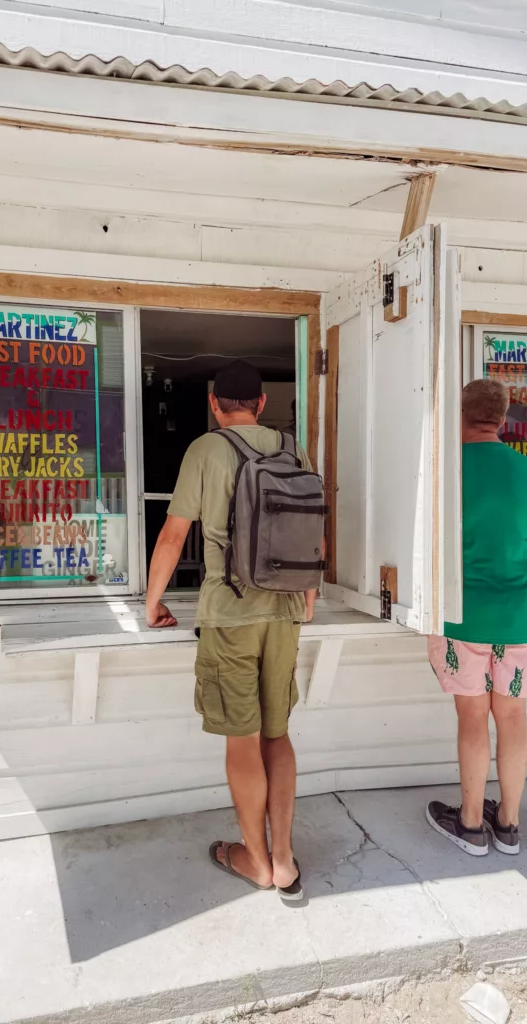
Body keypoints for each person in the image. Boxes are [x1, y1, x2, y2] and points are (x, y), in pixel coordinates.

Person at [145, 360, 320, 898]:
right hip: (286, 611)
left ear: (215, 405)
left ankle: (256, 861)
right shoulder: (293, 449)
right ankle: (285, 860)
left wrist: (152, 604)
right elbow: (307, 526)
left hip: (230, 612)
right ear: (263, 403)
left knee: (241, 740)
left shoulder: (206, 449)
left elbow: (174, 537)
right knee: (277, 734)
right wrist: (307, 600)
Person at [426, 378, 527, 857]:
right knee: (513, 717)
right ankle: (510, 825)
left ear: (459, 412)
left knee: (473, 718)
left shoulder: (444, 471)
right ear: (504, 414)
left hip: (464, 617)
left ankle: (472, 825)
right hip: (518, 615)